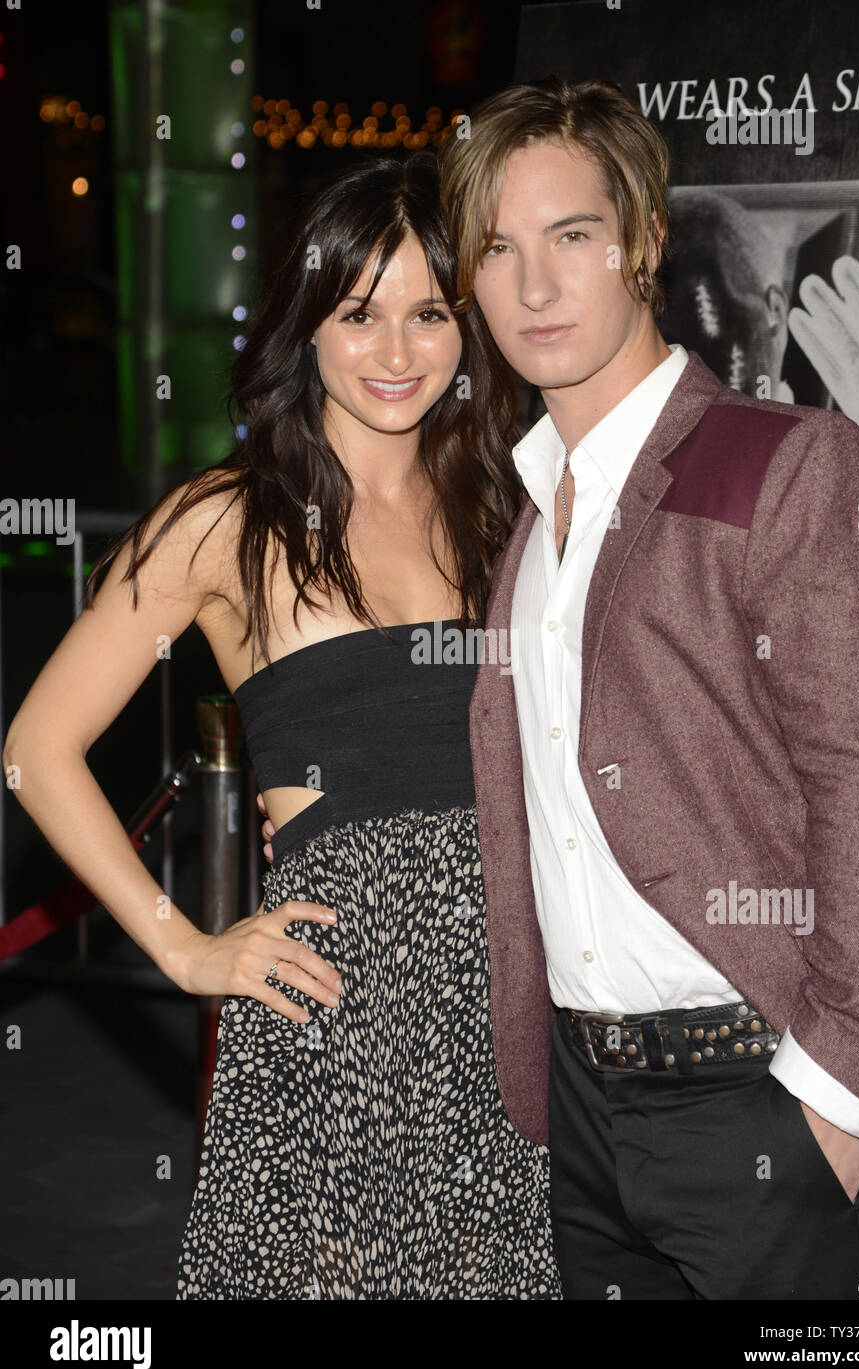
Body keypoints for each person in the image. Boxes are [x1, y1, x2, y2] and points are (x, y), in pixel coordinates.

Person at [2, 153, 561, 1300]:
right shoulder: (225, 519)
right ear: (306, 323)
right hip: (335, 1012)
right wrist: (183, 944)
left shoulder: (511, 507)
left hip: (515, 1000)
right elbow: (35, 748)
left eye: (428, 314)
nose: (397, 353)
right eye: (358, 315)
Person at [432, 75, 859, 1299]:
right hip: (585, 1115)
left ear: (643, 241)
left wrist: (838, 1101)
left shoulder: (788, 460)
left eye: (571, 236)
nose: (534, 287)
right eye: (497, 248)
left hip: (764, 1094)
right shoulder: (530, 518)